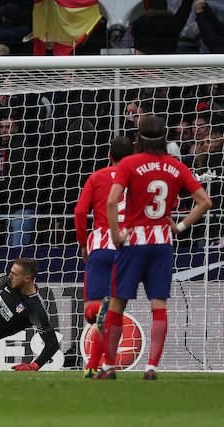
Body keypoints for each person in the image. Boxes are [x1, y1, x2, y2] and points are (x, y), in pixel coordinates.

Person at [101, 116, 212, 380]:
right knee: (158, 304)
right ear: (164, 137)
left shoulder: (129, 163)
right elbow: (205, 202)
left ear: (138, 137)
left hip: (134, 241)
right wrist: (181, 226)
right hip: (162, 242)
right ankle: (152, 367)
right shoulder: (176, 167)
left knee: (117, 304)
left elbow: (112, 201)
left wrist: (116, 234)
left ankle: (109, 366)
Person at [73, 136, 134, 378]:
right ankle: (104, 365)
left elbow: (79, 211)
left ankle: (92, 366)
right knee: (113, 314)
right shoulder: (137, 180)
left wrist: (83, 244)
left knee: (93, 313)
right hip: (127, 251)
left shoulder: (97, 177)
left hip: (99, 247)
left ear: (110, 156)